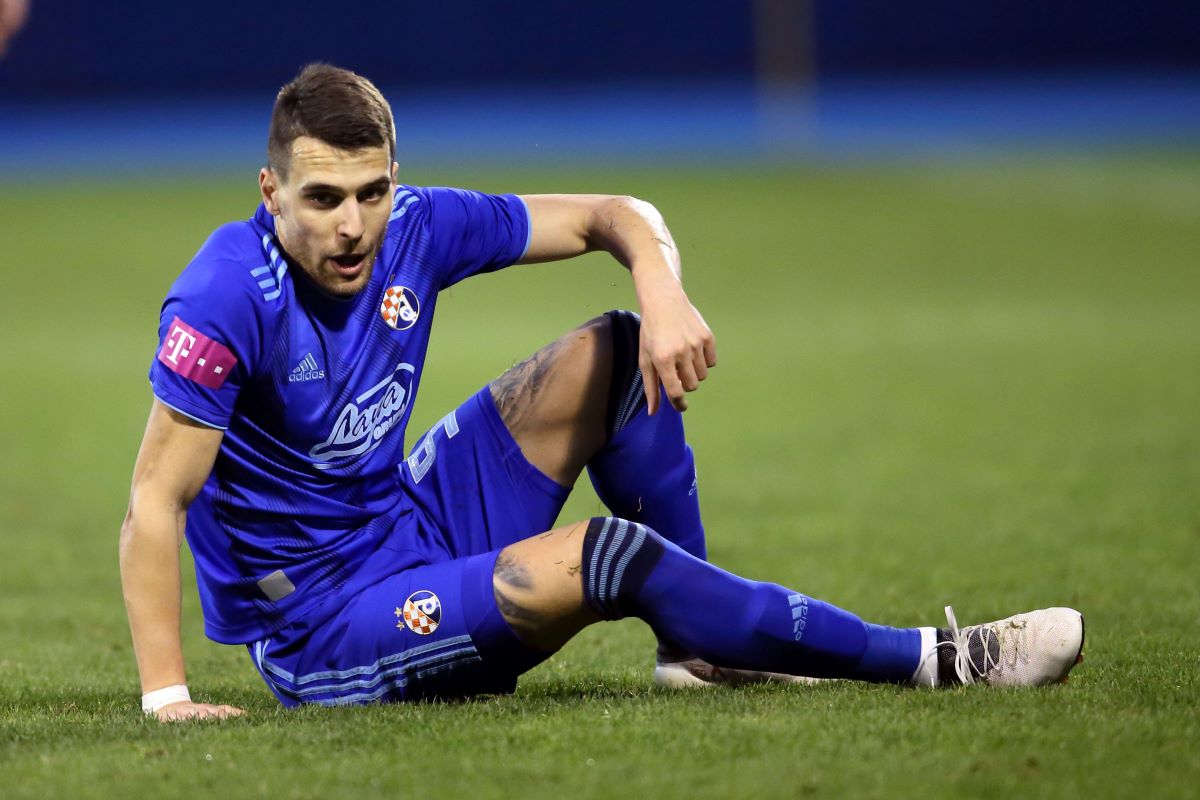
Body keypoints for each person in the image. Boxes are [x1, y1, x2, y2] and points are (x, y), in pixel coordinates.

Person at [119, 64, 1084, 721]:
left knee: (622, 353)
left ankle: (694, 652)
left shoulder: (415, 228)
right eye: (323, 198)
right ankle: (936, 658)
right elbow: (155, 501)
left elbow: (615, 213)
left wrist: (661, 294)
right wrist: (169, 700)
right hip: (323, 625)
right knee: (605, 555)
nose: (353, 226)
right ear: (271, 192)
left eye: (370, 191)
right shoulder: (223, 297)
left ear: (393, 180)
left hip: (406, 524)